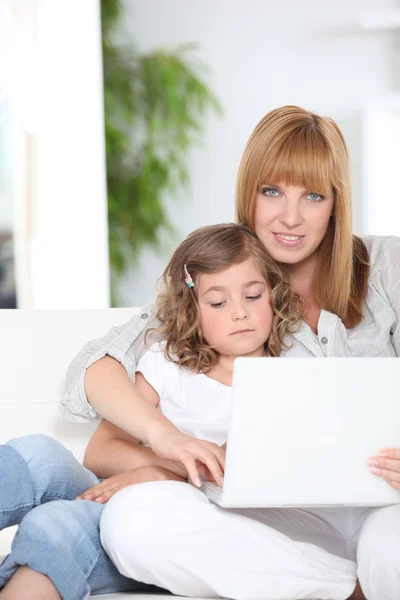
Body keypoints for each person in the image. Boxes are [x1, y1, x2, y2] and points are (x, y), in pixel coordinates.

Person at [75, 106, 400, 600]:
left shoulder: (387, 268)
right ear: (248, 193)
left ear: (336, 202)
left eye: (313, 196)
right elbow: (98, 370)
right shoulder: (222, 280)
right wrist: (164, 450)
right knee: (132, 521)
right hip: (278, 523)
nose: (290, 218)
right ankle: (349, 590)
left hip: (389, 506)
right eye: (272, 191)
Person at [0, 222, 296, 600]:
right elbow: (101, 451)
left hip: (171, 532)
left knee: (57, 524)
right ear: (192, 309)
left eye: (253, 296)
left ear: (273, 295)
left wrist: (158, 478)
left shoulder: (288, 379)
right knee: (38, 456)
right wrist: (159, 468)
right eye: (219, 303)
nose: (240, 313)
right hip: (127, 491)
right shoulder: (168, 364)